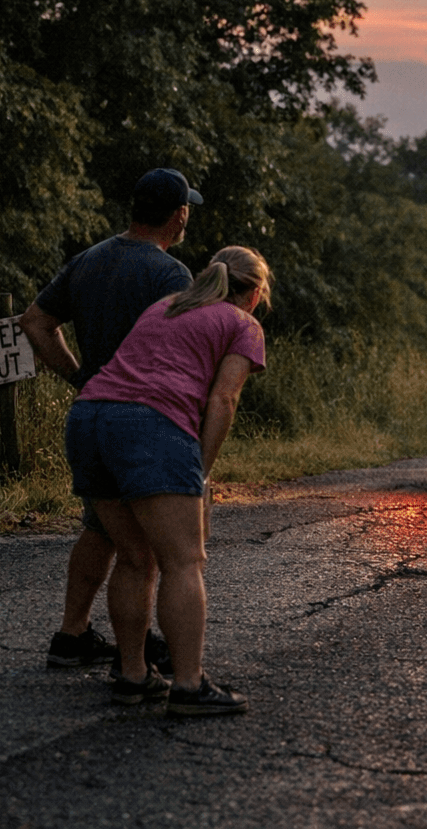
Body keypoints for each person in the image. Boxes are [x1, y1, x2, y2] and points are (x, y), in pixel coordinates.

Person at [65, 246, 270, 715]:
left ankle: (134, 676)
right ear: (255, 293)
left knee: (135, 557)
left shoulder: (166, 306)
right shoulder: (244, 324)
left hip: (89, 420)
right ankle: (189, 686)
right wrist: (201, 472)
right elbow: (223, 401)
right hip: (149, 427)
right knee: (184, 561)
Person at [20, 168, 202, 670]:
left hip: (92, 417)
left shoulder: (89, 259)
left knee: (101, 528)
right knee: (142, 551)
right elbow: (182, 354)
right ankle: (136, 654)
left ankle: (71, 634)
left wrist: (80, 378)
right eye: (187, 209)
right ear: (178, 215)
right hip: (144, 421)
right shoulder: (171, 275)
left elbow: (35, 321)